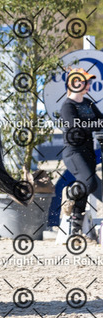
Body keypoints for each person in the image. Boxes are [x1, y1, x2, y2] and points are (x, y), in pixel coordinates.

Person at [59, 68, 103, 235]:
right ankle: (70, 194)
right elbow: (75, 128)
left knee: (85, 188)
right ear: (75, 83)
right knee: (89, 183)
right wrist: (94, 125)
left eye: (89, 81)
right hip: (74, 152)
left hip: (88, 152)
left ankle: (75, 229)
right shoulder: (67, 106)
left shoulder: (88, 103)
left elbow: (101, 120)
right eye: (85, 81)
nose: (88, 84)